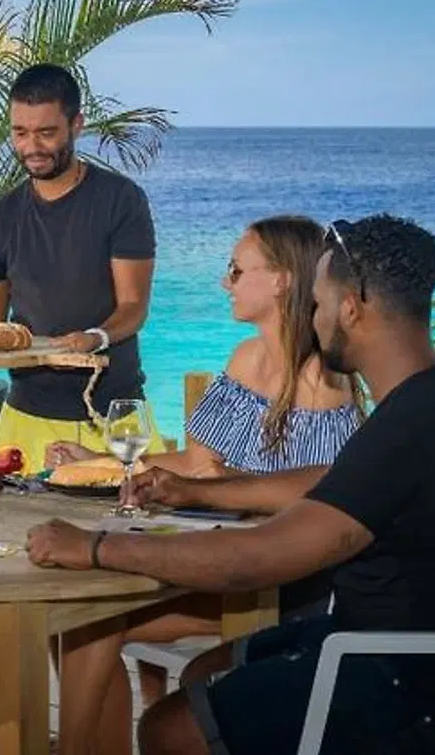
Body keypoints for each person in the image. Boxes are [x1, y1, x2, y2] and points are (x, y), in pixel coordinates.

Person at [27, 214, 435, 755]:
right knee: (206, 672)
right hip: (411, 656)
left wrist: (97, 548)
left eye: (318, 302)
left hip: (412, 687)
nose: (313, 315)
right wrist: (199, 491)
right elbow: (327, 479)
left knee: (169, 730)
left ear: (351, 308)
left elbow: (257, 558)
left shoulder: (407, 429)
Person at [46, 215, 364, 755]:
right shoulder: (246, 359)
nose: (226, 282)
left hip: (276, 582)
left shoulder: (323, 385)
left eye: (237, 271)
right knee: (75, 621)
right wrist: (102, 460)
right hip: (219, 556)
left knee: (90, 624)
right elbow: (197, 462)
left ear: (283, 280)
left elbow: (310, 501)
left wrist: (223, 485)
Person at [0, 62, 166, 474]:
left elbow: (134, 307)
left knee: (134, 531)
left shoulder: (121, 201)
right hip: (24, 416)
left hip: (111, 417)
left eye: (46, 132)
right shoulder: (0, 217)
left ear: (76, 124)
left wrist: (94, 338)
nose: (31, 147)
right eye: (19, 133)